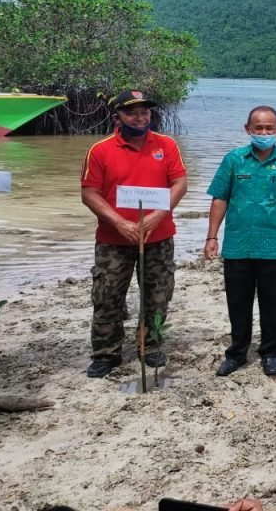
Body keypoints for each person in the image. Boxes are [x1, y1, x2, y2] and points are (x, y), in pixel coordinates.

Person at [80, 90, 188, 378]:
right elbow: (89, 193)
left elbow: (179, 183)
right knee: (107, 296)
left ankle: (149, 346)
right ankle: (106, 353)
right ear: (117, 117)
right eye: (132, 112)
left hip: (159, 237)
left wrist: (157, 215)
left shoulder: (166, 145)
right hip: (114, 240)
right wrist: (120, 223)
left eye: (145, 111)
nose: (140, 117)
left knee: (158, 295)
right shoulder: (100, 150)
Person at [204, 106, 276, 378]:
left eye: (269, 128)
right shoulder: (234, 160)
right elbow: (220, 198)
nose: (264, 133)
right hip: (237, 244)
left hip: (273, 245)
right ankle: (237, 352)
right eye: (258, 128)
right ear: (248, 129)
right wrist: (212, 236)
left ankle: (271, 352)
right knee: (237, 302)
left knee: (271, 301)